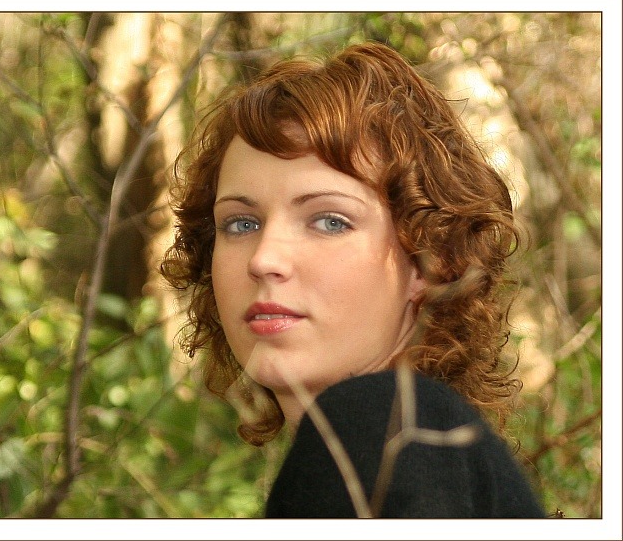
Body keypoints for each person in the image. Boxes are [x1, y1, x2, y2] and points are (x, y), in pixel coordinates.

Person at [160, 41, 545, 518]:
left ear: (432, 261)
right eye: (241, 223)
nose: (263, 259)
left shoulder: (385, 423)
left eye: (330, 221)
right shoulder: (420, 456)